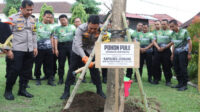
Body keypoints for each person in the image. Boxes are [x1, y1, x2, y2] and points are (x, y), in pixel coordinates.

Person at [60, 15, 106, 99]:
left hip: (91, 50)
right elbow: (78, 45)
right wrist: (84, 57)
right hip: (77, 51)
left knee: (95, 70)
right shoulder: (80, 29)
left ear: (98, 25)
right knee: (72, 69)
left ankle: (99, 91)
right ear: (87, 23)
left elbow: (102, 42)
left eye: (95, 29)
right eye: (91, 28)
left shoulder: (102, 29)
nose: (92, 30)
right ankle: (66, 91)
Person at [4, 0, 38, 100]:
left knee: (27, 72)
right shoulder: (12, 18)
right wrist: (8, 50)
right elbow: (5, 34)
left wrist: (35, 47)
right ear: (22, 8)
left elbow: (34, 34)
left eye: (32, 10)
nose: (30, 12)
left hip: (29, 50)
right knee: (14, 71)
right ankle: (8, 91)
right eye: (28, 10)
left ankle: (22, 90)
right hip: (16, 50)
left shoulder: (32, 20)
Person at [34, 10, 56, 86]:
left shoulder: (52, 26)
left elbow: (52, 37)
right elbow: (33, 36)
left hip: (49, 49)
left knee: (49, 64)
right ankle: (37, 78)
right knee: (38, 64)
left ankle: (49, 79)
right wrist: (34, 47)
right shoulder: (36, 25)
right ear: (43, 16)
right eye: (47, 17)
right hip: (38, 49)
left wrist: (53, 48)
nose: (48, 19)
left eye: (50, 17)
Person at [169, 20, 192, 91]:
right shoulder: (172, 34)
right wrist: (172, 54)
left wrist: (189, 53)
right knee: (176, 68)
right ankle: (180, 83)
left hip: (183, 52)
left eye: (172, 26)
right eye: (170, 27)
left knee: (183, 68)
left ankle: (185, 85)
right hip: (176, 52)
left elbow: (189, 42)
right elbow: (173, 44)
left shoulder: (184, 31)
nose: (171, 28)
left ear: (177, 25)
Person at [54, 14, 76, 85]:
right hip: (61, 46)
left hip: (71, 46)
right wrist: (56, 49)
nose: (62, 22)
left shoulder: (72, 27)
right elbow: (55, 38)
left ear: (67, 19)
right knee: (61, 64)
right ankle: (60, 79)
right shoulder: (57, 28)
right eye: (61, 20)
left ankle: (72, 79)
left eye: (64, 20)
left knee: (72, 64)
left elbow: (76, 37)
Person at [152, 19, 173, 85]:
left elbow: (172, 42)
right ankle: (156, 79)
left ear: (167, 24)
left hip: (166, 51)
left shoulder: (171, 32)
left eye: (164, 24)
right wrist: (158, 47)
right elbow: (153, 41)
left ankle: (168, 80)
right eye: (162, 24)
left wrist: (165, 47)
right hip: (157, 50)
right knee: (156, 65)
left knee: (167, 65)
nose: (163, 25)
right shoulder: (156, 32)